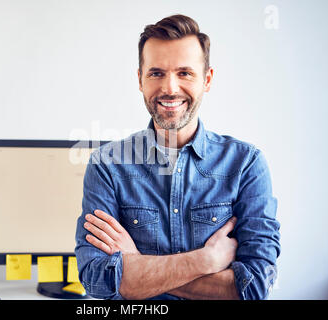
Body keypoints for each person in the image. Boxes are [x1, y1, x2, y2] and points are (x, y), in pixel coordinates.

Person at [74, 14, 280, 300]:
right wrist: (203, 262)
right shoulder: (107, 166)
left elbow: (255, 288)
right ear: (140, 80)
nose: (170, 88)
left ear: (207, 80)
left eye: (184, 73)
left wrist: (136, 268)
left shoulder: (247, 165)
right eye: (156, 73)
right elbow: (98, 279)